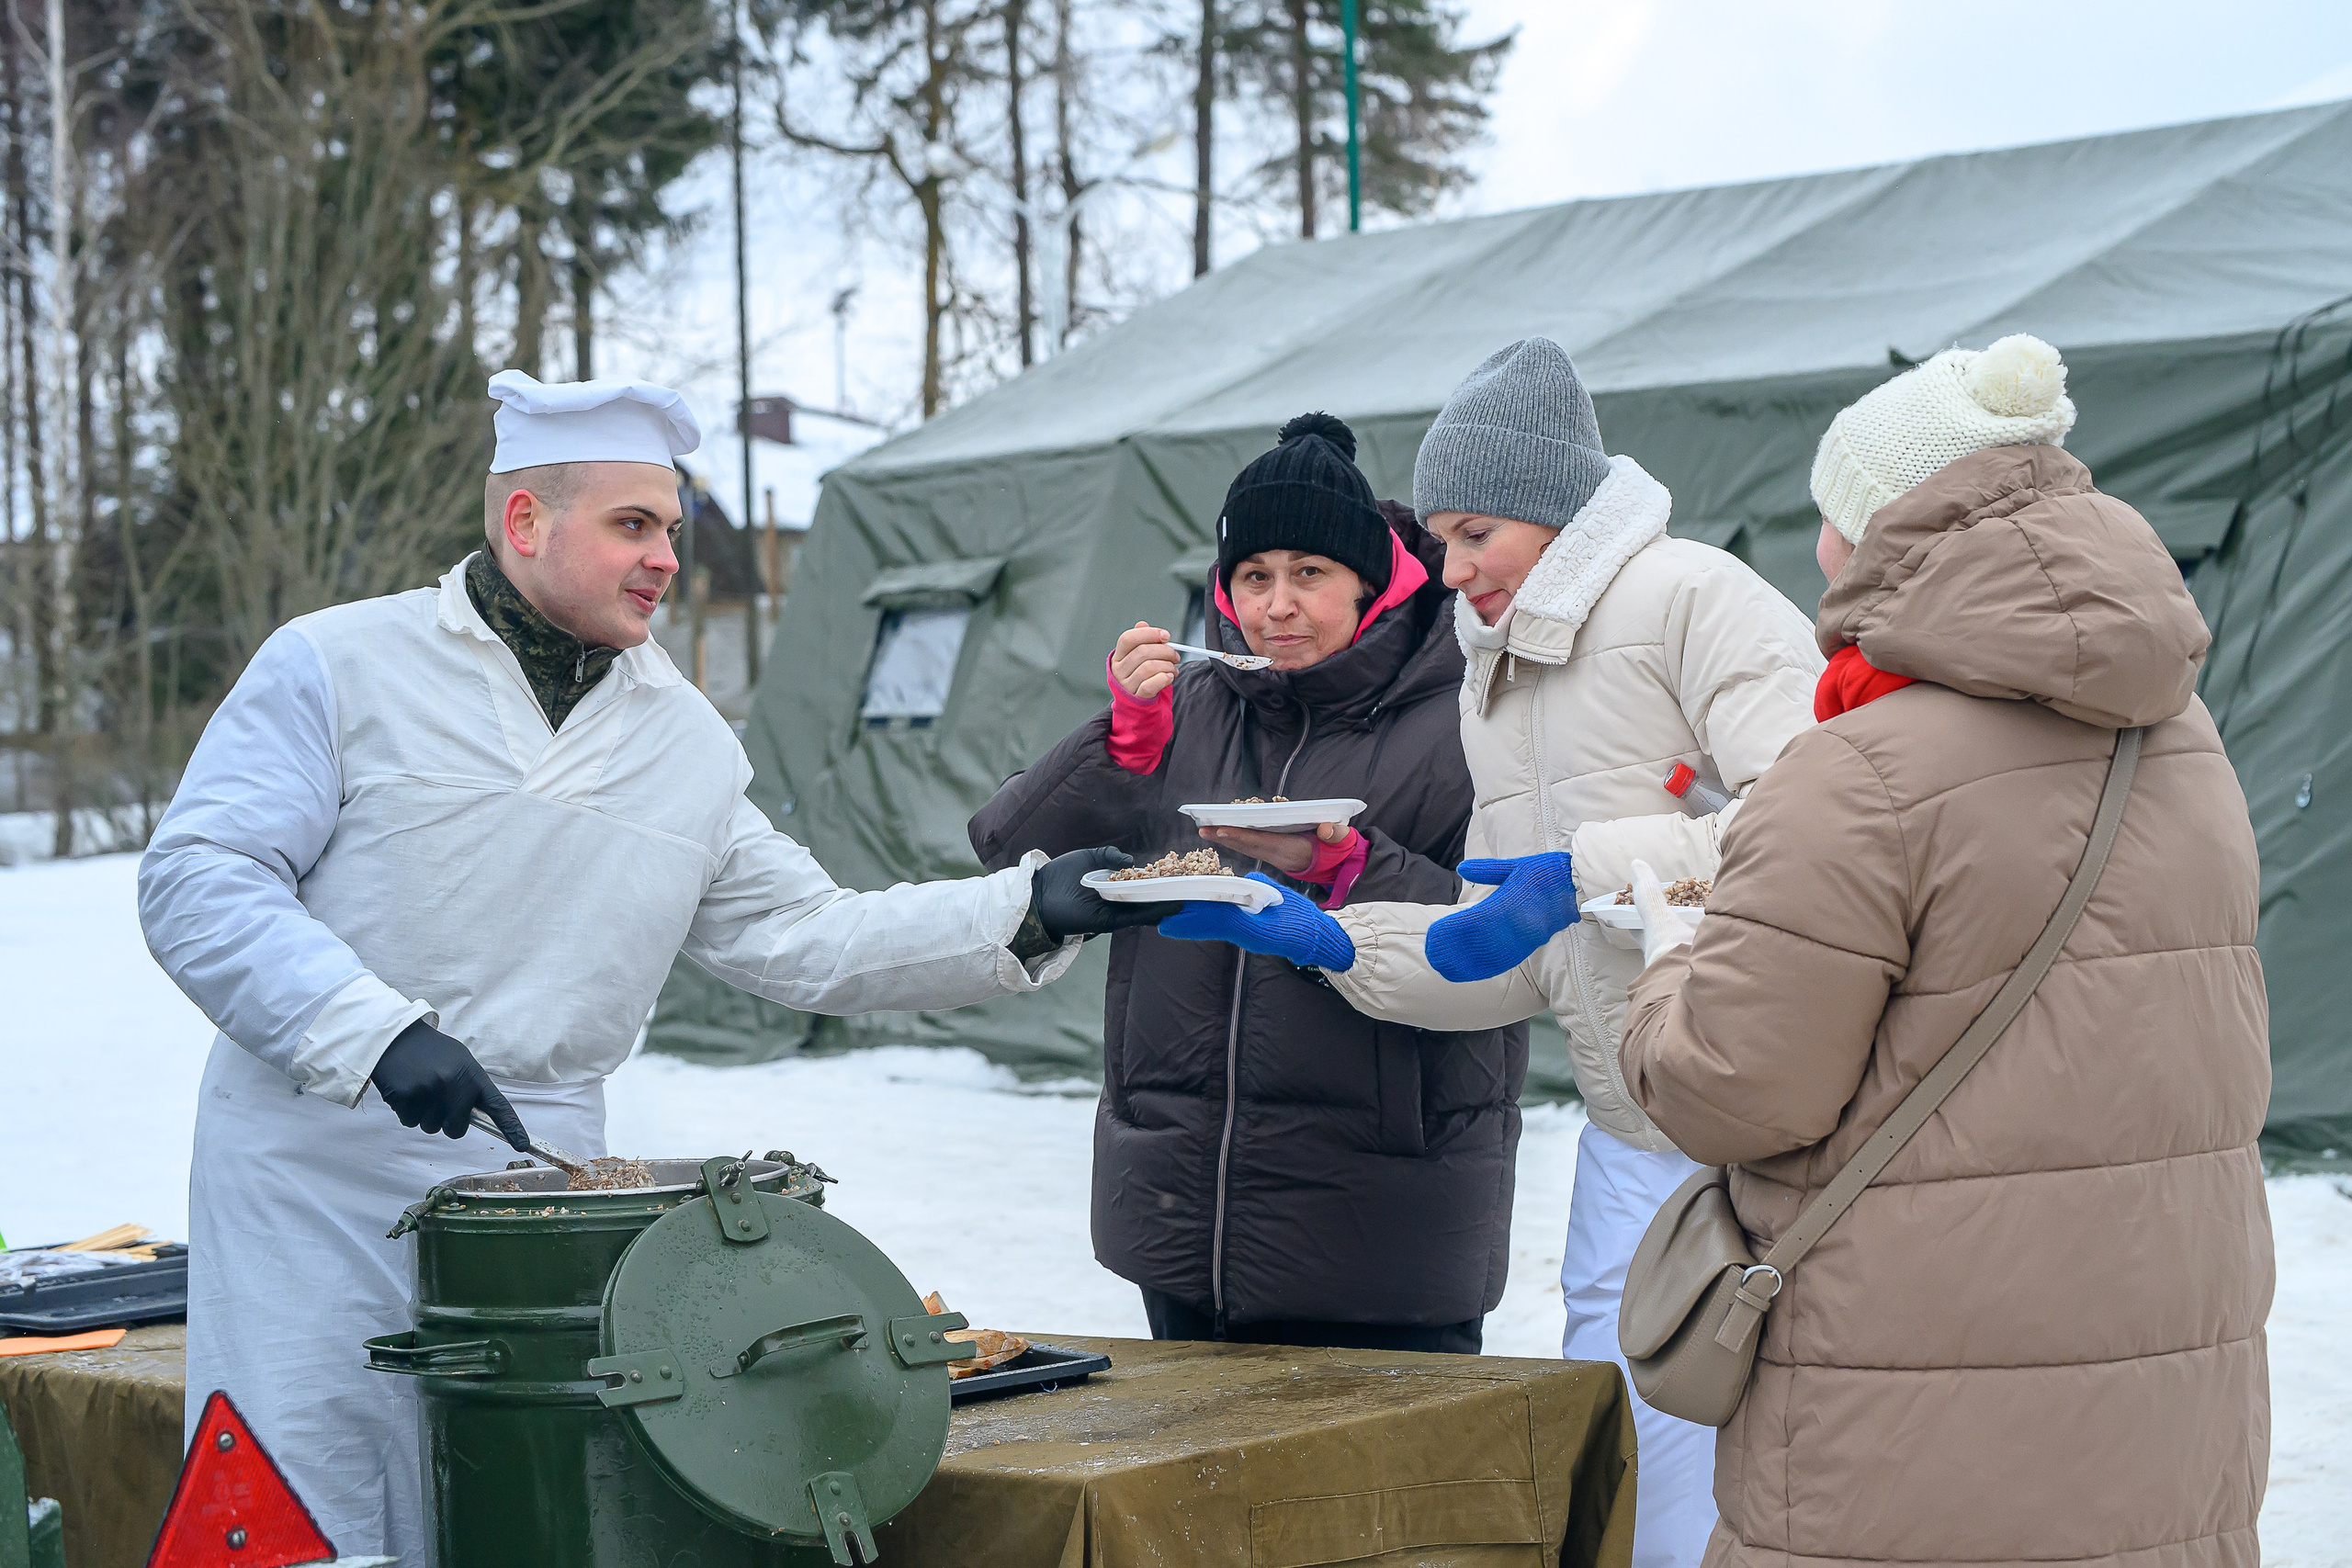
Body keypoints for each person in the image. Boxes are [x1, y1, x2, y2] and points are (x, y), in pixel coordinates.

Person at [138, 371, 1149, 1563]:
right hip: (314, 1178)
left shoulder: (687, 744)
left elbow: (808, 935)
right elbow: (199, 877)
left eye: (670, 525)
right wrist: (368, 1030)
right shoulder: (339, 666)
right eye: (634, 524)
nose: (668, 554)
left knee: (527, 1508)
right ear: (525, 521)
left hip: (542, 1195)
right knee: (312, 1502)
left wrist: (1025, 906)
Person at [1158, 342, 1821, 1568]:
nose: (1451, 570)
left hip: (1769, 1119)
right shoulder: (1493, 668)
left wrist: (1589, 871)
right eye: (1447, 542)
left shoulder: (1694, 597)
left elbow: (1825, 821)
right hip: (1631, 1125)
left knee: (1774, 1474)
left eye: (1474, 535)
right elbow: (1505, 953)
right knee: (1621, 1463)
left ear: (1559, 511)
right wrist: (1331, 939)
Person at [1616, 334, 2272, 1568]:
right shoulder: (2187, 742)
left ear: (1873, 533)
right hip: (2162, 1424)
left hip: (1896, 1429)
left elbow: (1736, 1084)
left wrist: (1671, 961)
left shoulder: (1855, 770)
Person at [970, 412, 1526, 1353]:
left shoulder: (1468, 715)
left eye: (1309, 574)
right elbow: (1006, 847)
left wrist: (1345, 866)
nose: (1275, 606)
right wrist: (1122, 742)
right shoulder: (1182, 705)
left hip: (1382, 1214)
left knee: (1381, 1496)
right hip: (1182, 1210)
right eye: (1252, 577)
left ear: (1372, 580)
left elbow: (1509, 940)